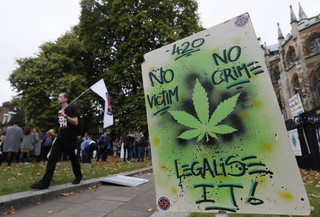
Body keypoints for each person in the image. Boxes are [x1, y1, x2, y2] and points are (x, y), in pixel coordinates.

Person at [30, 92, 82, 189]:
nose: (58, 98)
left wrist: (65, 115)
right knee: (52, 158)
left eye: (60, 97)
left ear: (66, 99)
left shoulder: (72, 108)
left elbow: (75, 122)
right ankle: (45, 183)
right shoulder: (60, 110)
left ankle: (78, 176)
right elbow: (61, 125)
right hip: (60, 137)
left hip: (70, 138)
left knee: (72, 158)